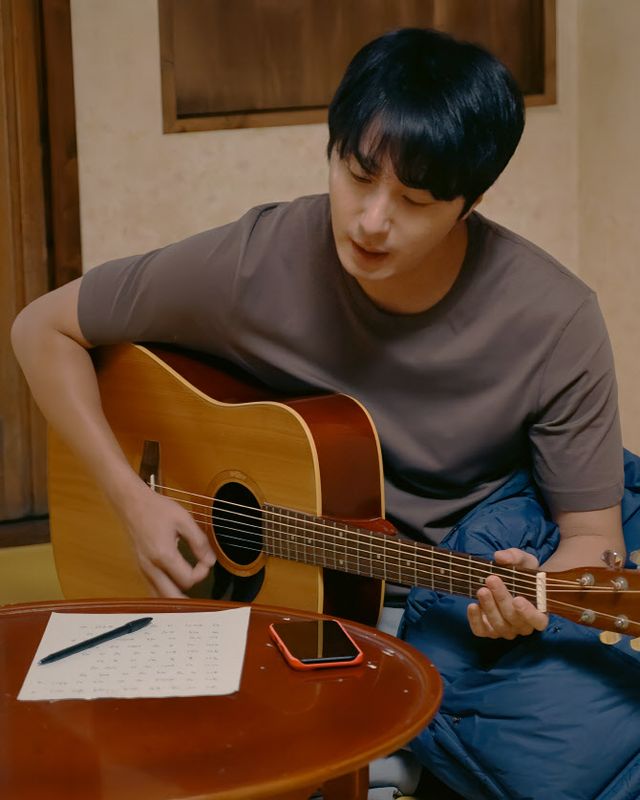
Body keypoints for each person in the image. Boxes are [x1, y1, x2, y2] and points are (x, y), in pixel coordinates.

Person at [12, 27, 640, 800]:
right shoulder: (259, 259)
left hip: (450, 591)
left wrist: (529, 600)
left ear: (470, 203)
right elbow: (41, 328)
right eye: (357, 174)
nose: (371, 220)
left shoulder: (555, 319)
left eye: (414, 200)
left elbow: (594, 541)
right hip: (295, 592)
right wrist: (129, 498)